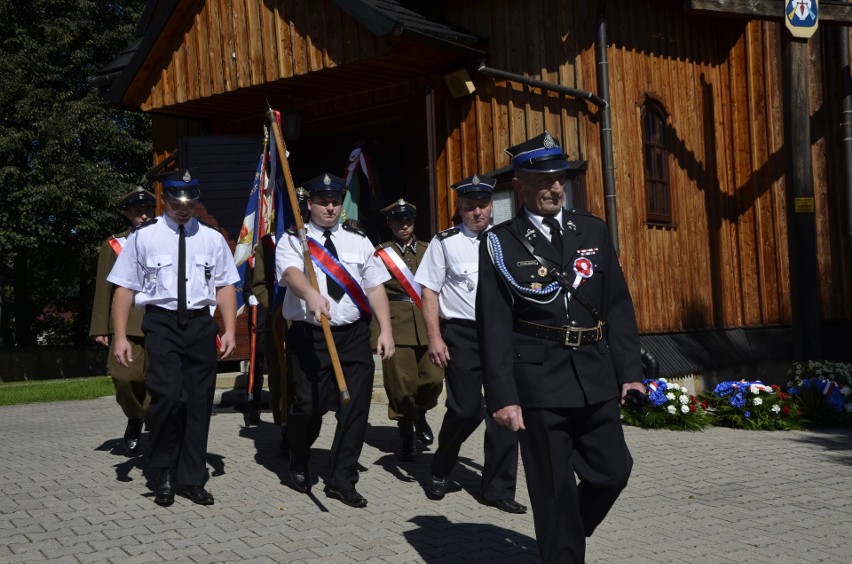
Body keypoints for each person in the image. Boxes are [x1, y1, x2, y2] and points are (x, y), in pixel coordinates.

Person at [477, 131, 644, 563]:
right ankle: (562, 547)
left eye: (559, 178)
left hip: (595, 373)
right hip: (538, 382)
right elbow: (493, 324)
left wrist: (630, 373)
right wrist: (502, 395)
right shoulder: (501, 242)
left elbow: (618, 306)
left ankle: (562, 536)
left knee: (613, 472)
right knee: (552, 491)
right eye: (543, 179)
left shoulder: (591, 228)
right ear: (520, 183)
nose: (554, 187)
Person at [108, 169, 240, 507]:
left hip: (200, 326)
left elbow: (225, 285)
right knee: (166, 398)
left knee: (198, 402)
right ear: (164, 199)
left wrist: (228, 329)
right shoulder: (143, 237)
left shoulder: (211, 238)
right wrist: (120, 336)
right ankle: (163, 470)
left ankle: (191, 477)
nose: (184, 206)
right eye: (177, 200)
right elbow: (124, 288)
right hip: (162, 325)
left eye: (191, 200)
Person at [276, 172, 394, 508]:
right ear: (309, 204)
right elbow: (290, 273)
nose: (330, 207)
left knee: (355, 409)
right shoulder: (293, 239)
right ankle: (298, 455)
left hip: (353, 336)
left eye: (335, 201)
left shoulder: (358, 240)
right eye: (323, 202)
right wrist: (311, 294)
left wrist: (384, 329)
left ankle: (342, 480)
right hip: (309, 336)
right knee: (308, 407)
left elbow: (373, 287)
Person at [414, 174, 525, 514]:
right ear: (460, 210)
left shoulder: (509, 241)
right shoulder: (444, 243)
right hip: (461, 335)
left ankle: (497, 488)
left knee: (505, 411)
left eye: (482, 206)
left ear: (492, 207)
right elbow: (429, 290)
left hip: (503, 335)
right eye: (469, 207)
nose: (477, 213)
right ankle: (441, 468)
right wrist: (435, 337)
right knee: (465, 409)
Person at [373, 199, 443, 461]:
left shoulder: (429, 249)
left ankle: (420, 413)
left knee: (434, 379)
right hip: (396, 322)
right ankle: (405, 432)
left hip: (427, 322)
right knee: (401, 384)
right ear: (390, 223)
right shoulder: (381, 253)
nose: (404, 225)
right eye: (398, 221)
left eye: (409, 221)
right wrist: (379, 330)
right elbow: (374, 289)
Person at [89, 186, 155, 456]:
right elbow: (105, 288)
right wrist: (100, 328)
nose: (143, 216)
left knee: (158, 382)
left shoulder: (169, 240)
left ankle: (157, 429)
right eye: (138, 212)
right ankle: (134, 417)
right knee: (124, 378)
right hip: (127, 324)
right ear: (128, 213)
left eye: (148, 210)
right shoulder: (115, 244)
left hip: (162, 322)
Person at [247, 187, 311, 452]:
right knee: (280, 375)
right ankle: (284, 426)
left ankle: (304, 424)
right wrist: (275, 307)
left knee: (305, 375)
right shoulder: (267, 243)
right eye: (292, 206)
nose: (298, 211)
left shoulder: (317, 238)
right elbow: (259, 284)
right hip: (278, 319)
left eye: (302, 206)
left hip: (310, 317)